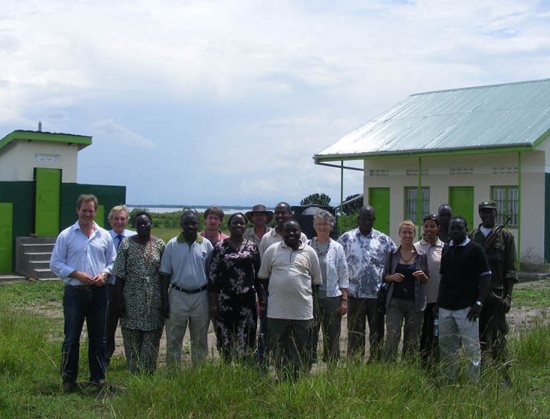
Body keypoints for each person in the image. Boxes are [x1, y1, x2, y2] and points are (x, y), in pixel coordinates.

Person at [50, 194, 115, 393]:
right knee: (72, 336)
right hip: (75, 293)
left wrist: (105, 274)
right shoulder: (66, 235)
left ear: (96, 212)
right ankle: (69, 380)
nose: (87, 214)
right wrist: (76, 274)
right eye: (84, 210)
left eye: (91, 210)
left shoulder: (104, 235)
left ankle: (98, 378)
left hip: (98, 293)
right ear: (77, 210)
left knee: (98, 337)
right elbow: (55, 263)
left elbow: (113, 261)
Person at [258, 220, 321, 379]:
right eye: (288, 231)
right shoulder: (272, 250)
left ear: (301, 232)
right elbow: (264, 278)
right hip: (277, 311)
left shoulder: (310, 252)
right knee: (280, 345)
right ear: (282, 233)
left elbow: (315, 282)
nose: (291, 234)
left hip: (302, 311)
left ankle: (300, 377)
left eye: (295, 231)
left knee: (302, 345)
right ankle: (282, 376)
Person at [338, 206, 396, 361]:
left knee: (377, 332)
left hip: (376, 296)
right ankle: (355, 362)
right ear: (358, 219)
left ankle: (375, 362)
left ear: (374, 220)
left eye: (370, 218)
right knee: (355, 333)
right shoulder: (345, 239)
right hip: (354, 295)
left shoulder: (384, 240)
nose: (366, 221)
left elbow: (395, 261)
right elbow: (337, 263)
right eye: (364, 218)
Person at [469, 200, 517, 386]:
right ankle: (481, 377)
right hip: (477, 296)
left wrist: (508, 296)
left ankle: (504, 377)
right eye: (484, 212)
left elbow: (510, 270)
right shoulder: (472, 236)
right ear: (479, 214)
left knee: (498, 338)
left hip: (497, 295)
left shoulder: (505, 237)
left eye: (491, 212)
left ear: (495, 213)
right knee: (478, 338)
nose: (487, 215)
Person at [438, 216, 491, 384]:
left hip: (467, 309)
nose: (454, 231)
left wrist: (479, 303)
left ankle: (472, 384)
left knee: (471, 349)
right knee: (447, 347)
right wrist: (438, 303)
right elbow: (443, 278)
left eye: (458, 228)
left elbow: (486, 278)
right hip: (446, 308)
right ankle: (449, 381)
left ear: (466, 229)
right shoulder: (446, 249)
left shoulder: (476, 249)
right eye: (452, 228)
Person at [112, 211, 165, 374]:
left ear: (151, 224)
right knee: (132, 345)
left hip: (153, 302)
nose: (143, 226)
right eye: (139, 224)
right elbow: (119, 276)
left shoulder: (160, 244)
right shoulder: (126, 244)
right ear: (134, 226)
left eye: (146, 223)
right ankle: (134, 379)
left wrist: (165, 300)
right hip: (131, 301)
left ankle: (147, 378)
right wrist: (119, 302)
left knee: (150, 345)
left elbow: (164, 275)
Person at [256, 201, 308, 367]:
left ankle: (294, 364)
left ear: (290, 214)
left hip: (296, 297)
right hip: (273, 295)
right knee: (269, 331)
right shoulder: (267, 239)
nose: (280, 216)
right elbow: (263, 270)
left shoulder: (302, 237)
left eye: (283, 212)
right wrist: (263, 297)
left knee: (293, 332)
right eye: (277, 212)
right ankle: (265, 364)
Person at [160, 210, 214, 367]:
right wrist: (164, 301)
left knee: (200, 340)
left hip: (200, 296)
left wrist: (211, 302)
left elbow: (211, 275)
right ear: (181, 225)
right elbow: (165, 275)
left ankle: (198, 374)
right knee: (174, 340)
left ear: (198, 224)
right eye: (186, 223)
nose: (190, 226)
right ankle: (172, 375)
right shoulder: (172, 245)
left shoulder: (206, 244)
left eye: (193, 223)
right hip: (177, 295)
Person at [208, 213, 263, 362]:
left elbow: (258, 276)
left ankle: (246, 370)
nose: (238, 226)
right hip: (225, 301)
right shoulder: (220, 247)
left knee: (248, 338)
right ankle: (228, 371)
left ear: (246, 226)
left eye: (241, 223)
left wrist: (262, 301)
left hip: (247, 302)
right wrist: (213, 305)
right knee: (226, 338)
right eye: (235, 223)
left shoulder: (252, 247)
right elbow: (212, 277)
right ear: (229, 226)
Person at [382, 221, 429, 362]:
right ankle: (388, 366)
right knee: (392, 335)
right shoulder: (392, 254)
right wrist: (392, 277)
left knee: (412, 337)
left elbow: (427, 279)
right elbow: (384, 276)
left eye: (410, 232)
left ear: (415, 234)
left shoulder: (421, 255)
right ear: (399, 234)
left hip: (415, 302)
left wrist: (422, 275)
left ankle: (408, 366)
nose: (407, 235)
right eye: (404, 232)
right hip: (395, 301)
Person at [308, 210, 349, 364]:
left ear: (331, 226)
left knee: (332, 334)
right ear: (314, 226)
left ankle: (332, 365)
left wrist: (344, 300)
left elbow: (343, 274)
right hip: (312, 297)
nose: (322, 227)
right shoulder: (308, 245)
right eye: (319, 224)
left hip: (333, 297)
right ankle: (309, 364)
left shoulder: (337, 247)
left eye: (325, 224)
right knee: (311, 333)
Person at [105, 204, 135, 367]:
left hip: (129, 289)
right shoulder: (102, 237)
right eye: (116, 218)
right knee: (107, 327)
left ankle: (133, 360)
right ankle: (104, 359)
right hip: (108, 288)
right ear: (110, 220)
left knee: (130, 325)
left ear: (127, 220)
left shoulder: (134, 237)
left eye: (122, 218)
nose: (119, 221)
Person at [414, 214, 444, 369]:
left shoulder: (444, 248)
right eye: (426, 226)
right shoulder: (416, 247)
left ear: (438, 228)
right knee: (421, 334)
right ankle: (421, 365)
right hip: (420, 300)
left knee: (436, 334)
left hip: (437, 300)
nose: (429, 229)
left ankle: (435, 365)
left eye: (432, 226)